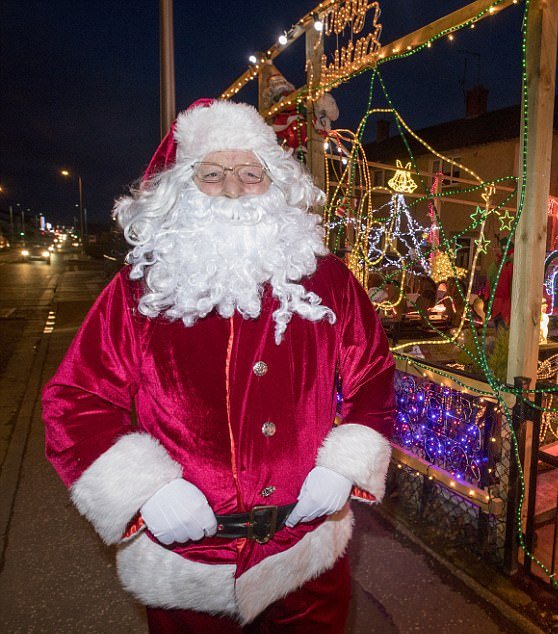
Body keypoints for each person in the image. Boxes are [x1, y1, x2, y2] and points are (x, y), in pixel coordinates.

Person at [42, 99, 396, 632]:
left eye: (251, 173)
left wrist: (346, 466)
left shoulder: (328, 281)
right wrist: (145, 491)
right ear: (182, 188)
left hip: (305, 562)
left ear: (276, 185)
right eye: (213, 173)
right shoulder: (137, 293)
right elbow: (75, 401)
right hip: (189, 574)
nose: (233, 189)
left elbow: (374, 376)